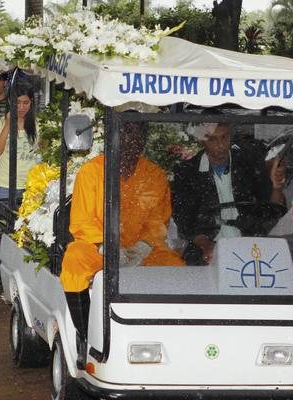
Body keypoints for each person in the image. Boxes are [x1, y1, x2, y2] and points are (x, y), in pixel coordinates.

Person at [60, 117, 185, 368]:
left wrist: (143, 246)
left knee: (175, 266)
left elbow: (158, 220)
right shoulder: (92, 172)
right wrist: (107, 246)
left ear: (144, 141)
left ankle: (175, 339)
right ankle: (85, 337)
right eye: (126, 133)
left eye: (138, 135)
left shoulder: (154, 175)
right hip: (100, 248)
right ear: (113, 138)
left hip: (142, 249)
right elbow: (82, 221)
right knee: (74, 263)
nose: (132, 141)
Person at [172, 117, 286, 266]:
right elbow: (184, 220)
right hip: (207, 253)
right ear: (201, 140)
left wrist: (276, 188)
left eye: (224, 137)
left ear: (230, 135)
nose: (220, 145)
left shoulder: (250, 164)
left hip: (253, 249)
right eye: (212, 139)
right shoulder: (187, 172)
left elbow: (272, 212)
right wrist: (205, 244)